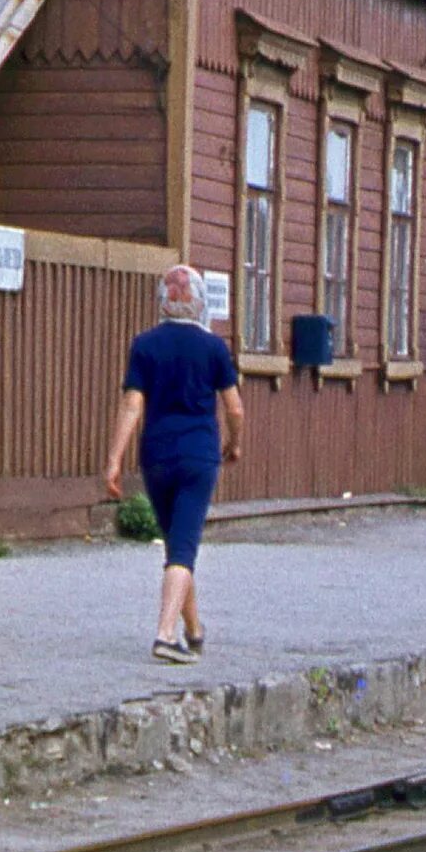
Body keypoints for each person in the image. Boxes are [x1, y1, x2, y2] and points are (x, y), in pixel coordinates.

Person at [103, 264, 245, 664]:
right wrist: (234, 444)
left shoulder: (145, 345)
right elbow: (235, 408)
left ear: (161, 302)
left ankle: (194, 630)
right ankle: (165, 635)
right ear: (200, 303)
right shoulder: (214, 348)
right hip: (199, 454)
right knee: (183, 546)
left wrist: (114, 459)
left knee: (176, 544)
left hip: (157, 454)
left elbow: (133, 402)